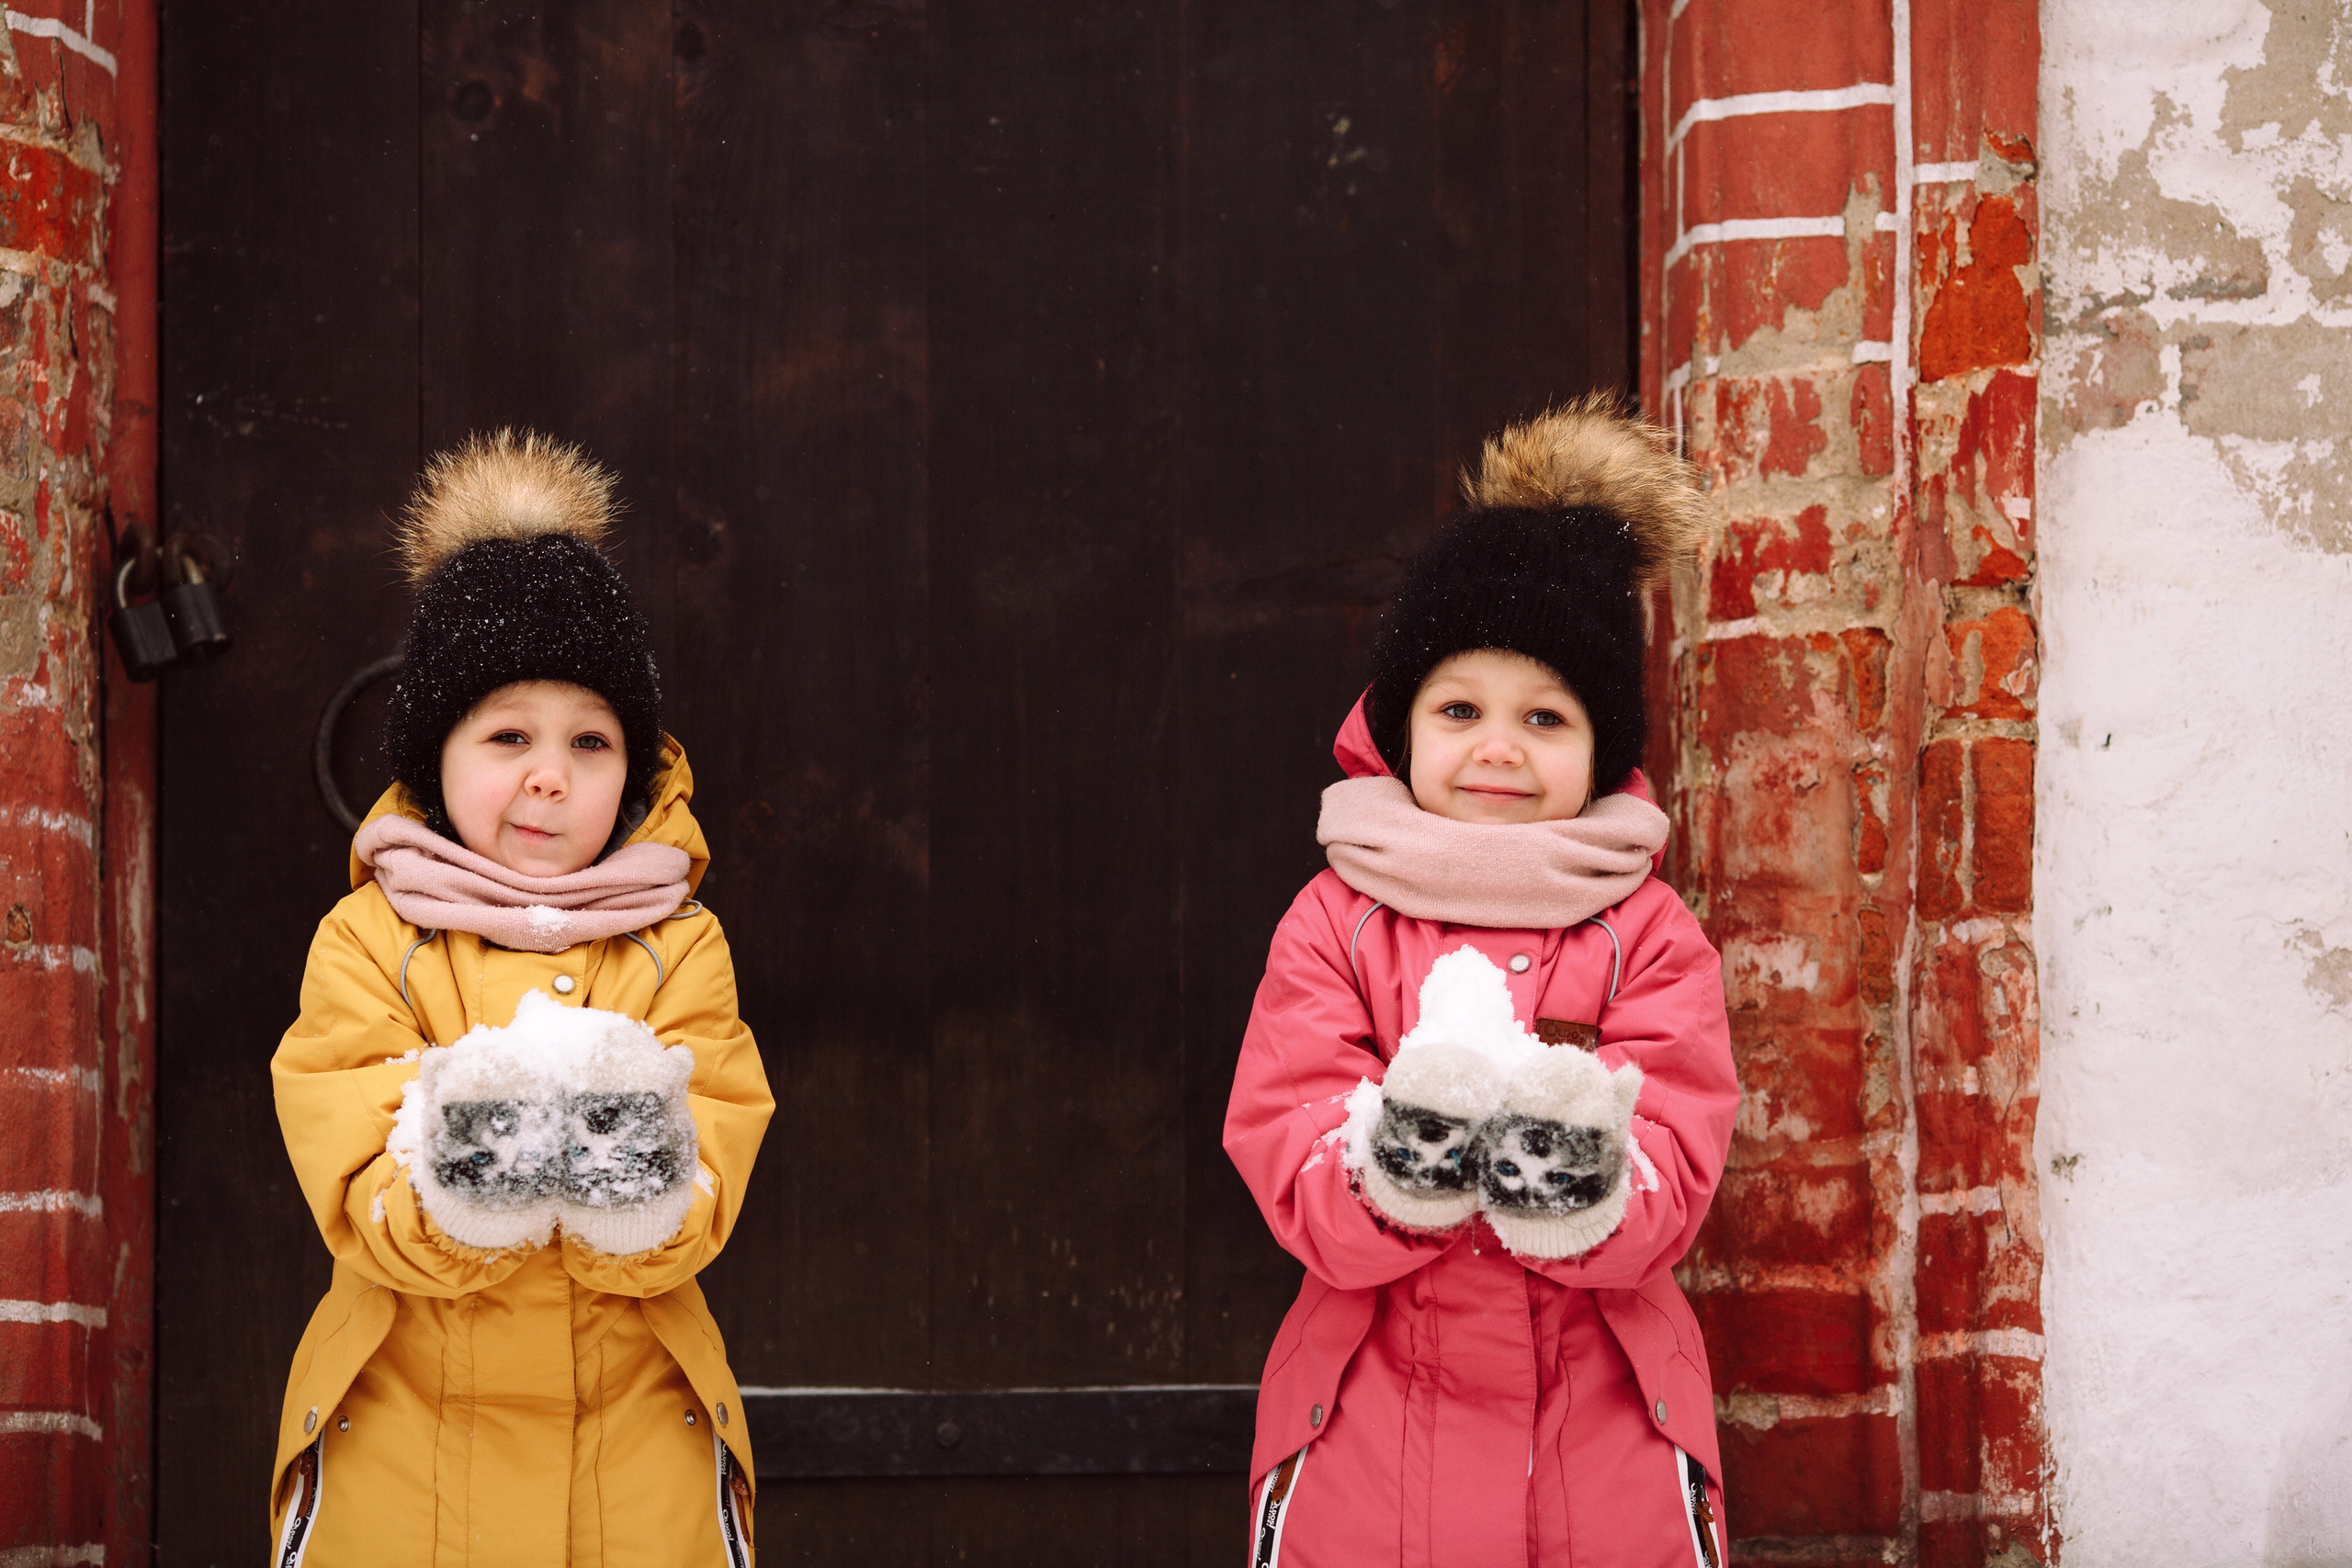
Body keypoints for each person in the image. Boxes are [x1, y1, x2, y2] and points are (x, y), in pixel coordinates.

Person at [1225, 397, 1740, 1567]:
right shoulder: (1335, 922)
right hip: (1367, 1424)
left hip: (1603, 1439)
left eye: (1544, 718)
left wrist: (1576, 1173)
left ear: (1602, 754)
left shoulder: (1646, 933)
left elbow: (1673, 1157)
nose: (1498, 747)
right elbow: (1286, 1134)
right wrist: (1398, 1161)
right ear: (1400, 729)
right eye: (1459, 710)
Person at [267, 431, 773, 1567]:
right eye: (508, 736)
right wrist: (476, 1158)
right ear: (435, 759)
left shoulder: (676, 945)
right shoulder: (370, 942)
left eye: (591, 742)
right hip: (398, 1439)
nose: (551, 773)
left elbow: (706, 1174)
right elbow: (356, 1175)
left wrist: (634, 1162)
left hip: (636, 1448)